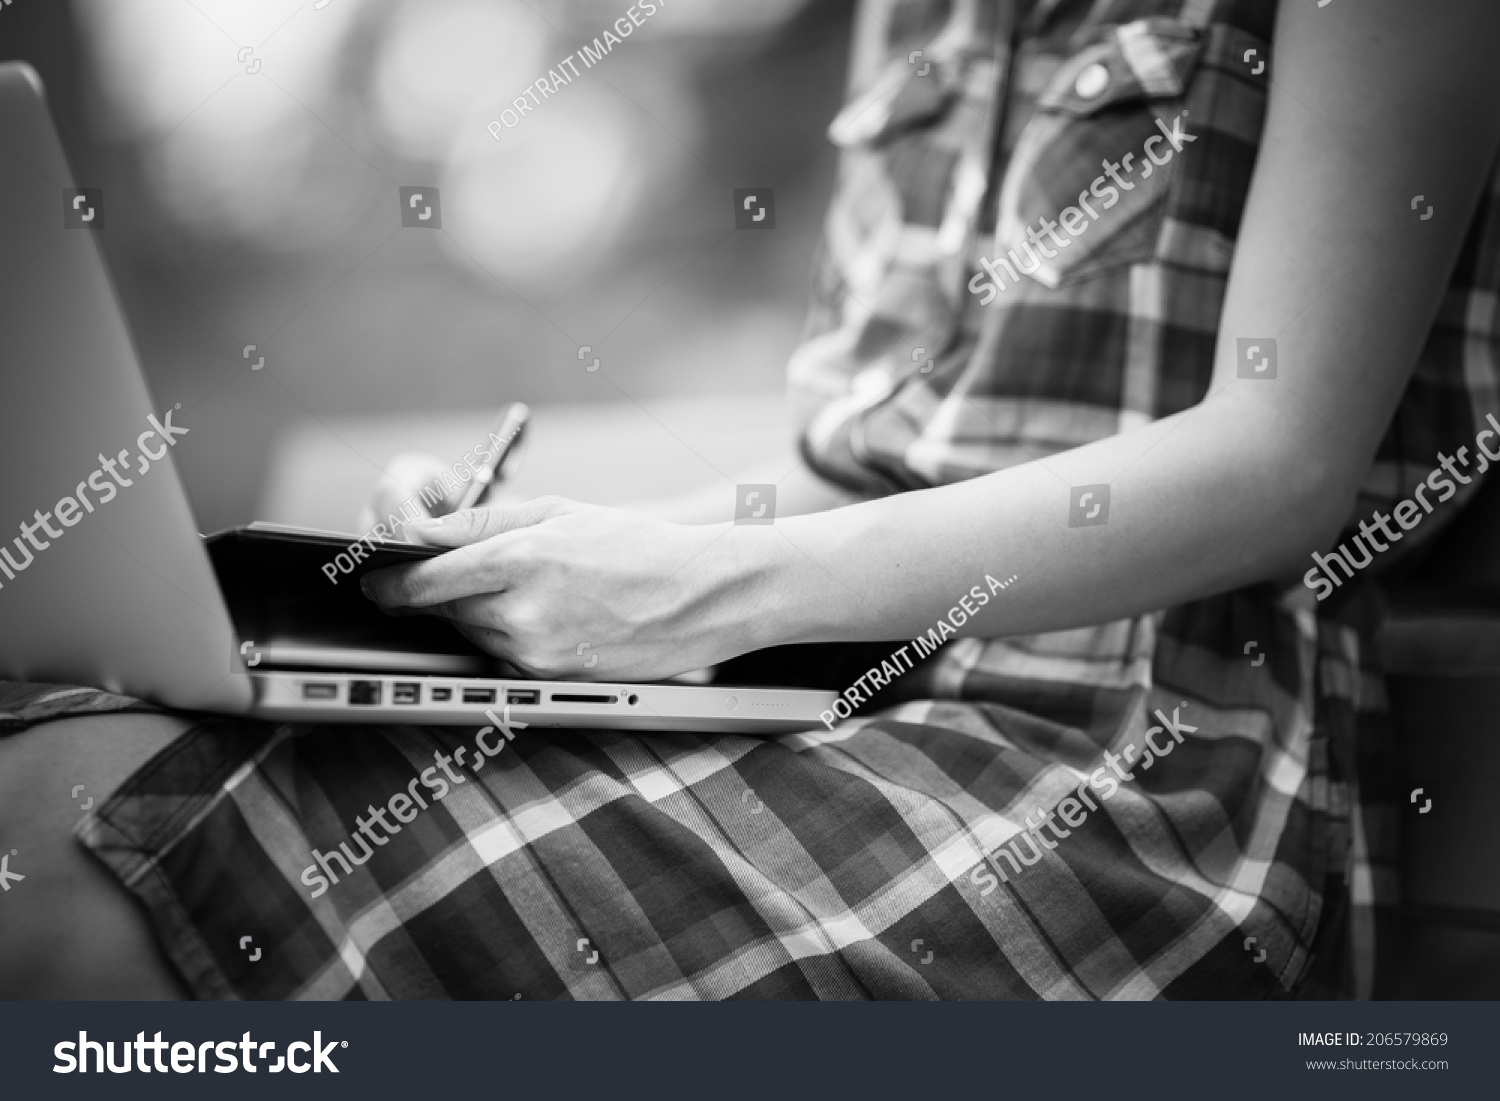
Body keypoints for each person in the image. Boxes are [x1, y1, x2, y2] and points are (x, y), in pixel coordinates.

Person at [4, 0, 1499, 1000]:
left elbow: (1284, 458)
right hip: (828, 702)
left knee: (73, 848)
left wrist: (711, 596)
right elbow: (863, 453)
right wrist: (558, 534)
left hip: (1138, 783)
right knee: (59, 774)